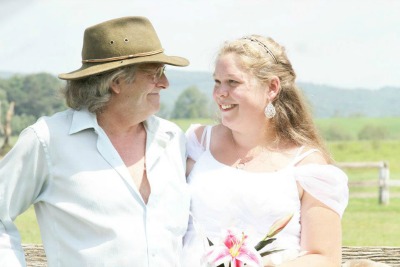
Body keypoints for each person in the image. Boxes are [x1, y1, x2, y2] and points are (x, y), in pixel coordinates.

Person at [0, 16, 190, 266]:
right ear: (117, 82)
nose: (165, 83)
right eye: (155, 73)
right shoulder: (48, 139)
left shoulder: (172, 137)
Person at [182, 35, 349, 267]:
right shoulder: (197, 144)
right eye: (217, 81)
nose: (220, 92)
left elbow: (324, 258)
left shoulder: (308, 167)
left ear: (272, 88)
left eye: (233, 82)